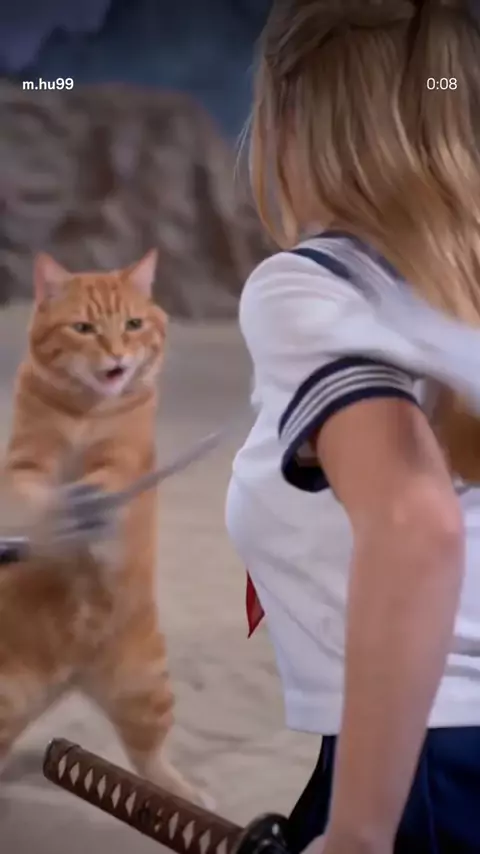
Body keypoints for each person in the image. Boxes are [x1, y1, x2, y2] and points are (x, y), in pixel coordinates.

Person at [225, 1, 480, 852]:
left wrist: (359, 835)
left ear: (293, 117)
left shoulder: (314, 286)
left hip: (426, 761)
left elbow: (415, 523)